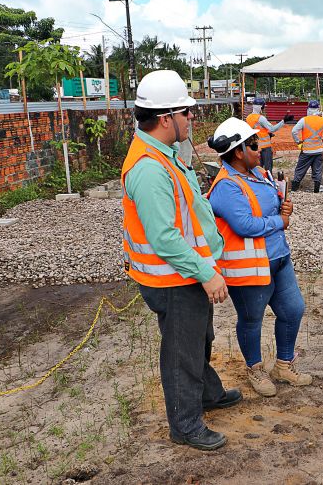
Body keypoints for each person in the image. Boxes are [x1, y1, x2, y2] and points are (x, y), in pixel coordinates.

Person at [121, 70, 241, 452]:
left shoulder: (165, 156)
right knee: (182, 352)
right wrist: (206, 273)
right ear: (166, 117)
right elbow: (165, 237)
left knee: (199, 340)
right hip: (174, 279)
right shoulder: (150, 168)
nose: (192, 117)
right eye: (186, 111)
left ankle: (208, 394)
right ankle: (185, 424)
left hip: (184, 274)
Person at [206, 117, 313, 397]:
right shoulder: (226, 186)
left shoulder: (260, 174)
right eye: (254, 145)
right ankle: (255, 368)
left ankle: (283, 365)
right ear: (238, 152)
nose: (260, 149)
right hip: (251, 267)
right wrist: (281, 221)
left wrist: (282, 203)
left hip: (279, 258)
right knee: (252, 319)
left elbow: (268, 210)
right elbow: (246, 226)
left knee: (293, 310)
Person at [290, 99, 323, 193]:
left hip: (306, 151)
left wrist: (298, 142)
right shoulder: (322, 120)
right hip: (318, 150)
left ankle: (294, 190)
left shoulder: (304, 120)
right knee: (317, 171)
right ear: (317, 109)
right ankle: (316, 191)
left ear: (308, 109)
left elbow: (294, 131)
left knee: (300, 170)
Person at [245, 97, 288, 173]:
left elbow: (255, 130)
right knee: (268, 170)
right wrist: (283, 121)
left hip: (254, 147)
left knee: (257, 168)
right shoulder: (261, 118)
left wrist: (268, 133)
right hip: (265, 147)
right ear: (261, 107)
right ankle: (268, 182)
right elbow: (272, 129)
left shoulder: (248, 118)